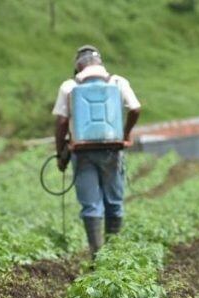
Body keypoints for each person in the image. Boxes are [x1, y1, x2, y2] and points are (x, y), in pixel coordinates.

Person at [52, 45, 141, 257]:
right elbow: (135, 108)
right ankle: (114, 256)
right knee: (115, 203)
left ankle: (96, 255)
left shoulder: (69, 86)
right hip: (112, 150)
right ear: (100, 63)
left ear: (78, 66)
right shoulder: (117, 82)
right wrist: (126, 133)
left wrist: (60, 153)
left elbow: (62, 121)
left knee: (90, 206)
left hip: (82, 153)